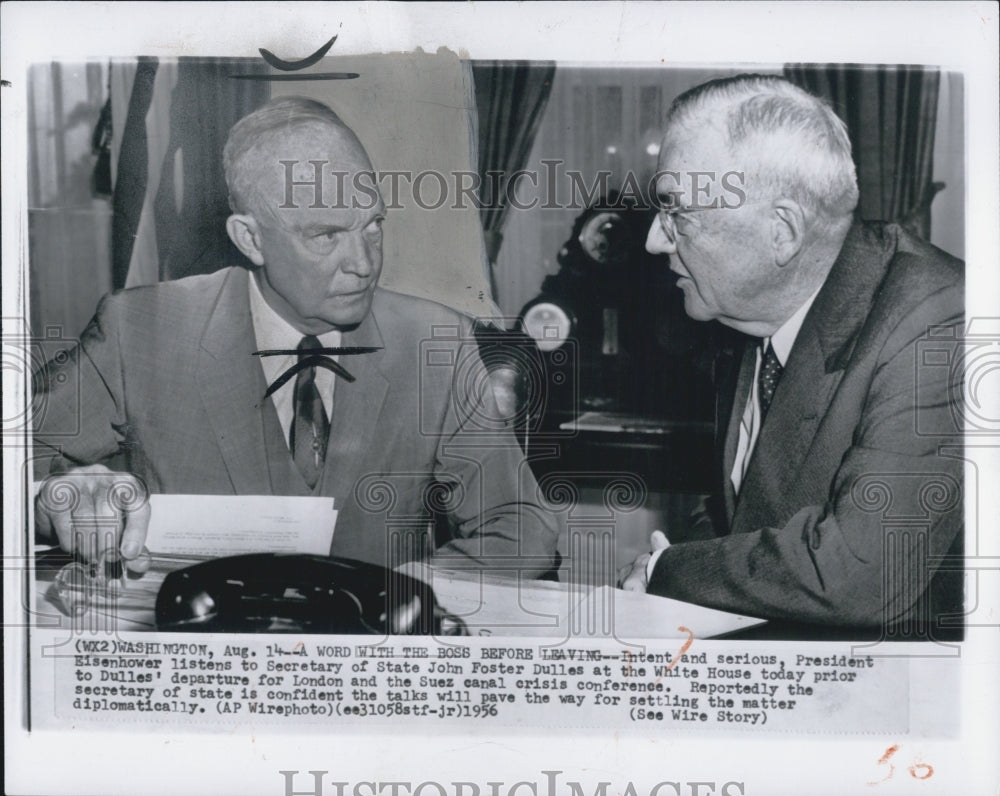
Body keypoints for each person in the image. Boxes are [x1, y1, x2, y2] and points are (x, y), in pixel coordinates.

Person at [33, 96, 558, 578]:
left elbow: (520, 530)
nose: (364, 263)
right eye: (326, 234)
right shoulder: (140, 330)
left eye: (373, 226)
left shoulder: (435, 342)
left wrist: (393, 598)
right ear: (251, 238)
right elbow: (16, 462)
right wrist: (53, 495)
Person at [619, 74, 964, 635]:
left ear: (781, 232)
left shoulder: (939, 320)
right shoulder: (746, 316)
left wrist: (666, 571)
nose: (655, 241)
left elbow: (856, 574)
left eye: (677, 213)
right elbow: (741, 513)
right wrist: (668, 577)